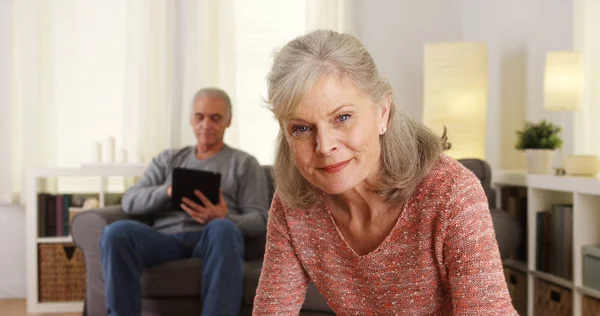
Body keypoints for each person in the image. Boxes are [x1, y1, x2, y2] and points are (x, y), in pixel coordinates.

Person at [253, 30, 517, 315]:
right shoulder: (294, 204)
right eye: (302, 128)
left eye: (342, 118)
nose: (325, 146)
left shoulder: (451, 192)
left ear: (382, 112)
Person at [99, 88, 269, 316]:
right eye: (200, 117)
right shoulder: (167, 160)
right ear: (191, 119)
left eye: (215, 118)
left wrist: (223, 217)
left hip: (212, 240)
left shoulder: (244, 163)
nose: (206, 124)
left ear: (228, 121)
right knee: (116, 232)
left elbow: (260, 220)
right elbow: (130, 201)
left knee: (222, 228)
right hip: (163, 240)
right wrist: (168, 191)